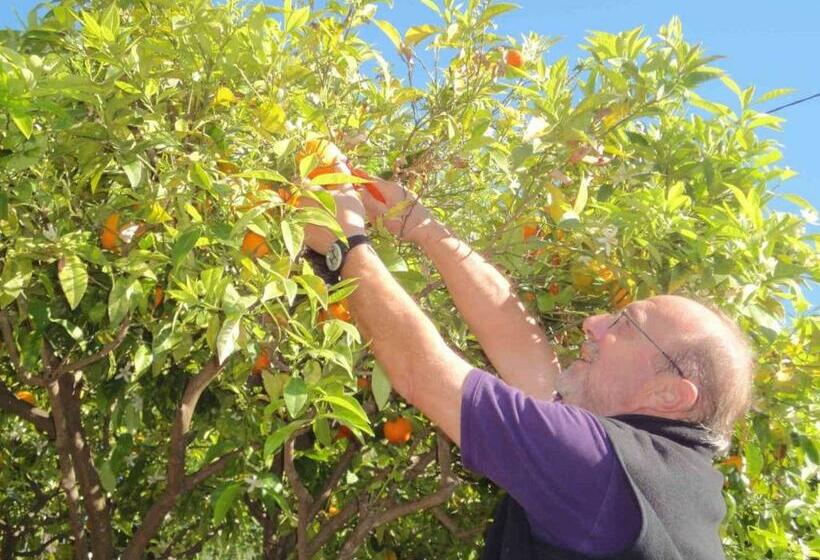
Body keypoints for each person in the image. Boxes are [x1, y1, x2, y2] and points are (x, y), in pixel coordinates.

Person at [302, 169, 754, 560]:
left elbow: (423, 374)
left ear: (670, 393)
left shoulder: (605, 473)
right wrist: (418, 223)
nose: (592, 322)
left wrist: (345, 246)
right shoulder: (661, 480)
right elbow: (520, 344)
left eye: (626, 324)